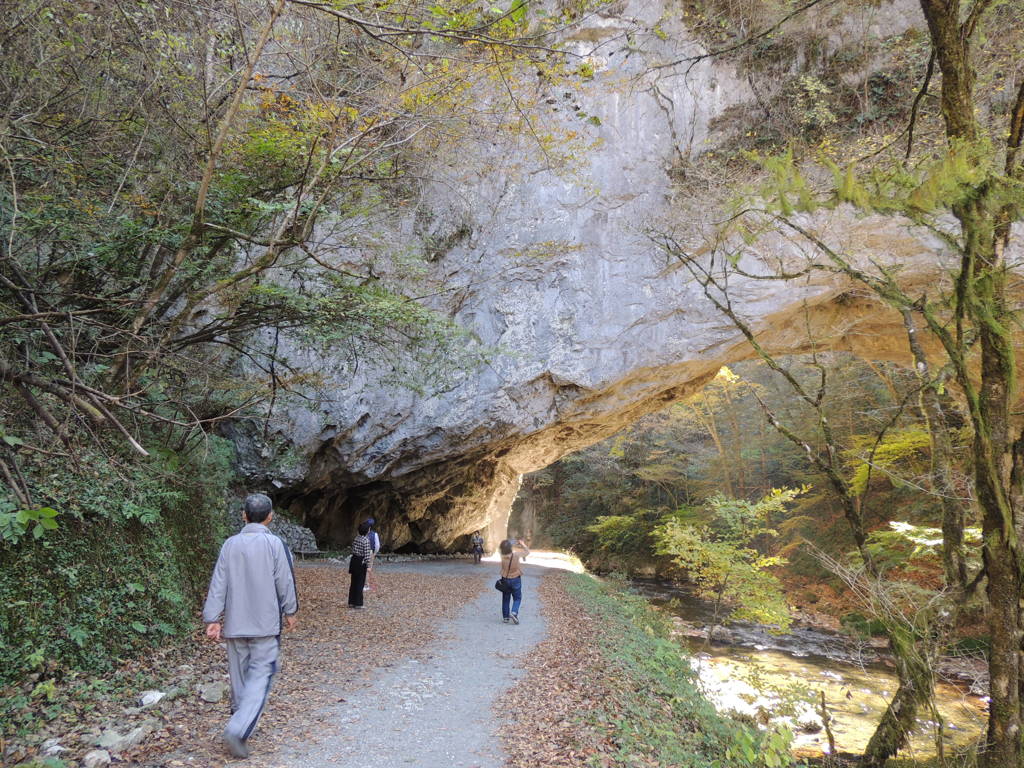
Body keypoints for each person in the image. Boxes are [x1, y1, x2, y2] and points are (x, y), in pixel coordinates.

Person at [203, 493, 298, 759]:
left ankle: (239, 718)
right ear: (270, 517)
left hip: (235, 624)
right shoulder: (274, 544)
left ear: (244, 515)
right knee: (260, 678)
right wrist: (290, 610)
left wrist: (213, 618)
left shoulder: (230, 544)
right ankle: (239, 728)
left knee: (239, 678)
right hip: (265, 625)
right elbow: (284, 581)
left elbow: (218, 582)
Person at [498, 538, 530, 624]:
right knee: (517, 597)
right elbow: (527, 552)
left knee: (505, 598)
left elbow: (504, 548)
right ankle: (514, 612)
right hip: (516, 578)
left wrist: (510, 544)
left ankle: (506, 618)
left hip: (505, 579)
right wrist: (522, 544)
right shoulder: (516, 555)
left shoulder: (502, 556)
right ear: (510, 548)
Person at [348, 520, 373, 608]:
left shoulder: (356, 538)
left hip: (354, 560)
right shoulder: (366, 540)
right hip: (361, 562)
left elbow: (352, 549)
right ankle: (358, 603)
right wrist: (368, 566)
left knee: (354, 582)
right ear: (367, 531)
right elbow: (367, 555)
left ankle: (351, 602)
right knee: (360, 582)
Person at [364, 517, 382, 591]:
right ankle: (366, 585)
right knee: (368, 569)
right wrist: (374, 553)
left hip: (362, 552)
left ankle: (360, 584)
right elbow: (377, 545)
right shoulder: (375, 534)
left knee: (362, 569)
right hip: (370, 552)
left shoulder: (362, 533)